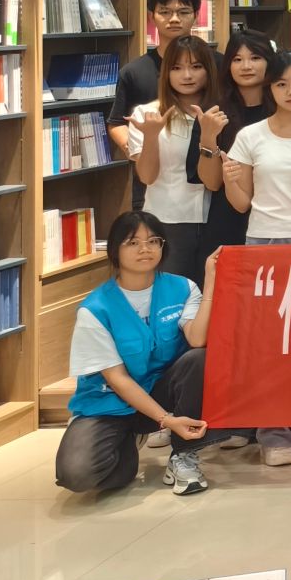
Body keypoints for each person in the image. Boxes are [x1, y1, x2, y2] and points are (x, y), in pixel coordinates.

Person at [55, 211, 214, 496]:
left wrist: (211, 281)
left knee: (198, 360)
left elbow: (197, 338)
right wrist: (165, 420)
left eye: (153, 241)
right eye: (133, 242)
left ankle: (183, 456)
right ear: (114, 250)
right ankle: (126, 445)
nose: (145, 249)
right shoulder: (95, 309)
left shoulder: (183, 288)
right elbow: (118, 379)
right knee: (76, 475)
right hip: (110, 402)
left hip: (162, 393)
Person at [221, 49, 291, 468]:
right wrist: (231, 180)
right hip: (265, 244)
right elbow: (241, 204)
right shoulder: (251, 136)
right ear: (270, 89)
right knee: (269, 345)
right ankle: (274, 432)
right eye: (282, 84)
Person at [125, 35, 220, 286]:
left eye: (196, 66)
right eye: (177, 68)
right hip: (167, 221)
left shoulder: (220, 113)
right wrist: (151, 136)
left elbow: (214, 182)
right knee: (171, 297)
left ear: (209, 70)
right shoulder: (147, 114)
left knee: (212, 296)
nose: (187, 75)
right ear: (166, 72)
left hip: (215, 220)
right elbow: (147, 177)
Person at [107, 0, 199, 206]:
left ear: (196, 15)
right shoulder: (134, 71)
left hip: (203, 181)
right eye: (165, 12)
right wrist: (138, 148)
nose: (174, 19)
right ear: (151, 16)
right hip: (151, 183)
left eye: (183, 12)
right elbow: (117, 122)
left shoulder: (215, 65)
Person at [194, 30, 274, 262]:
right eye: (237, 59)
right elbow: (211, 182)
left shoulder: (284, 108)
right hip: (228, 218)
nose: (246, 66)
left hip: (276, 217)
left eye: (255, 58)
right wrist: (208, 137)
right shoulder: (213, 111)